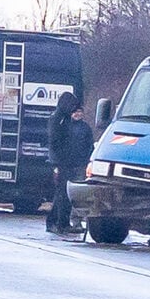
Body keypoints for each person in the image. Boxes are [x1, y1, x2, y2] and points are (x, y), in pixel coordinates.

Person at [47, 92, 93, 234]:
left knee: (66, 195)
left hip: (70, 161)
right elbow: (54, 143)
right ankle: (55, 222)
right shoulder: (57, 119)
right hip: (61, 162)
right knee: (61, 194)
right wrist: (57, 163)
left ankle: (63, 222)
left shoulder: (65, 119)